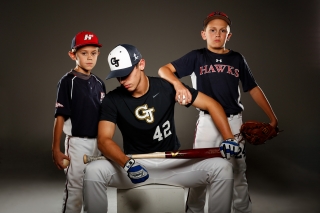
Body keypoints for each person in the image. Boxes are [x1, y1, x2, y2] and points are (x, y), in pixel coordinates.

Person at [82, 44, 242, 213]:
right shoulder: (112, 99)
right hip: (134, 164)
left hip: (172, 163)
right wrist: (127, 163)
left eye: (126, 74)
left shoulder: (166, 87)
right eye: (118, 76)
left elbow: (212, 104)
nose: (123, 81)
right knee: (93, 171)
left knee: (223, 168)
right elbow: (103, 140)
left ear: (141, 64)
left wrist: (229, 138)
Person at [158, 12, 279, 213]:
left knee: (238, 168)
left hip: (233, 121)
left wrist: (272, 118)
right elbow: (164, 70)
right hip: (207, 122)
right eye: (212, 30)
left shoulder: (237, 58)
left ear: (228, 36)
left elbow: (253, 88)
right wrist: (179, 86)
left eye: (223, 31)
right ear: (203, 34)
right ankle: (194, 209)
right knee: (200, 168)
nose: (217, 34)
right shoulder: (197, 56)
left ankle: (242, 208)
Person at [51, 31, 106, 213]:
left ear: (98, 54)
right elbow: (60, 116)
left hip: (97, 143)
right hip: (77, 143)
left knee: (94, 187)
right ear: (73, 54)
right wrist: (56, 149)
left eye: (93, 53)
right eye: (84, 53)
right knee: (75, 191)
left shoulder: (99, 82)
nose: (89, 57)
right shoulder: (68, 82)